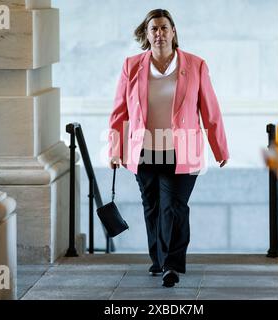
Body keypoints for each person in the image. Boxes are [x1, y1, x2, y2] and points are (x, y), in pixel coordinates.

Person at [108, 9, 229, 287]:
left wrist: (220, 149)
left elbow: (210, 111)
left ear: (173, 31)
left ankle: (171, 265)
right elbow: (119, 112)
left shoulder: (195, 65)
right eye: (154, 29)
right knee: (152, 207)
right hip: (144, 148)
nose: (159, 33)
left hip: (182, 150)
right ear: (147, 34)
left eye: (164, 28)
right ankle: (158, 260)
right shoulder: (132, 65)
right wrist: (115, 149)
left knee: (173, 207)